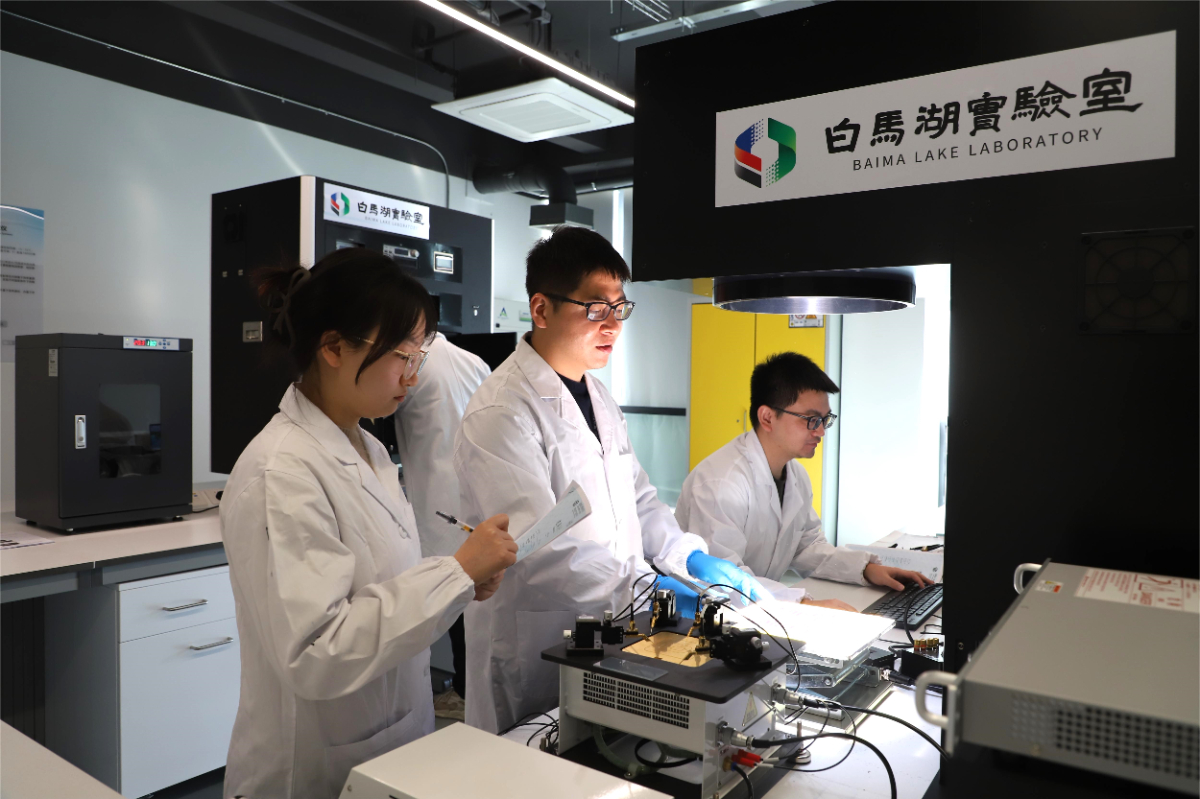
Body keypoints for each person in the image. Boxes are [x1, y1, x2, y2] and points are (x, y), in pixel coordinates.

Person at [220, 248, 516, 799]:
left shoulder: (369, 449)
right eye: (401, 356)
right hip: (309, 770)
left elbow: (381, 584)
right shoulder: (281, 471)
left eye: (419, 355)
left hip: (387, 744)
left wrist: (461, 581)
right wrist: (452, 575)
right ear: (333, 347)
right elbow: (318, 652)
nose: (413, 376)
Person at [453, 226, 769, 734]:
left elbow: (639, 500)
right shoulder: (502, 411)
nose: (613, 325)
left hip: (612, 626)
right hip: (536, 638)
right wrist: (650, 591)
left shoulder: (599, 397)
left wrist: (687, 557)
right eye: (596, 308)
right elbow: (539, 550)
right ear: (541, 309)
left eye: (620, 308)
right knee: (534, 754)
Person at [675, 352, 931, 611]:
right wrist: (805, 605)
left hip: (761, 614)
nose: (820, 431)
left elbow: (806, 547)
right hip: (699, 618)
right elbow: (722, 580)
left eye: (824, 420)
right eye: (811, 420)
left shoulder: (795, 475)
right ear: (767, 418)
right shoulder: (722, 483)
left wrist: (867, 569)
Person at [393, 331, 491, 717]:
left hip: (436, 501)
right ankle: (471, 689)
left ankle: (464, 694)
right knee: (471, 601)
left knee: (454, 599)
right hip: (473, 494)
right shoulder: (472, 361)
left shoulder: (411, 366)